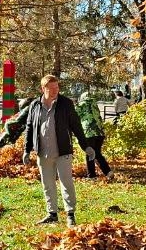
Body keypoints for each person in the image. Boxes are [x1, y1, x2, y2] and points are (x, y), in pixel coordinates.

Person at [22, 75, 95, 227]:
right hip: (43, 153)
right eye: (51, 88)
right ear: (43, 89)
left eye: (57, 88)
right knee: (47, 184)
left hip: (63, 151)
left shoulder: (66, 103)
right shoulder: (35, 105)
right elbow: (29, 128)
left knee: (66, 183)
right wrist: (27, 150)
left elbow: (76, 125)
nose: (55, 91)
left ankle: (70, 214)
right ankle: (52, 214)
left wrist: (85, 146)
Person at [76, 90, 113, 178]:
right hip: (100, 133)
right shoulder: (95, 105)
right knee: (97, 153)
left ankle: (91, 175)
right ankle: (108, 172)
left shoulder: (81, 105)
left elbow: (73, 117)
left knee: (90, 153)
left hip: (89, 133)